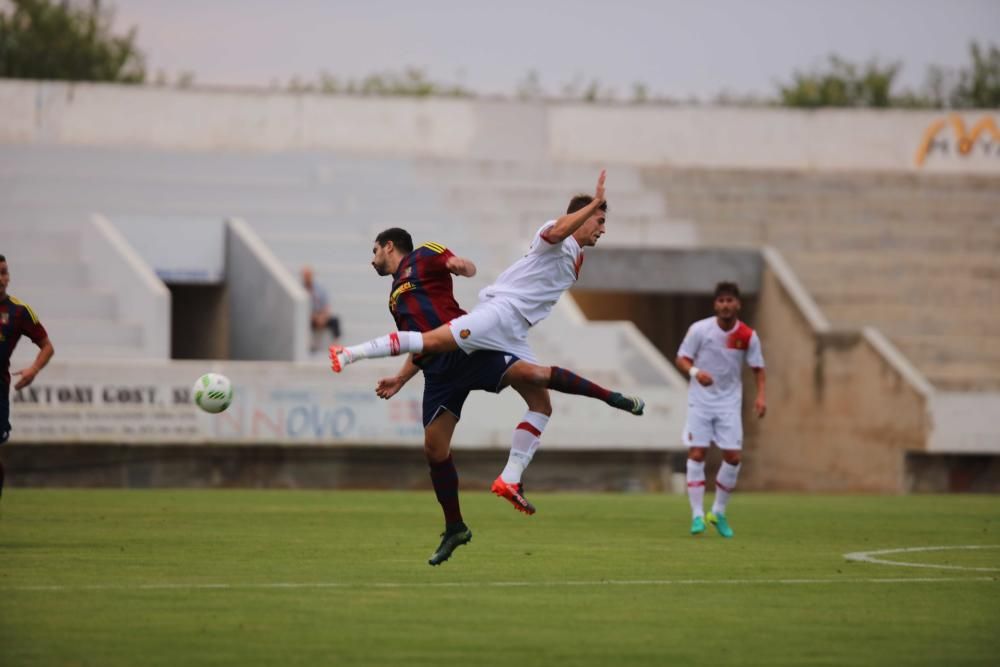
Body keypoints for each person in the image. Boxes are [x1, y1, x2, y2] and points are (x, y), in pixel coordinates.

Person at [352, 228, 644, 565]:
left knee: (533, 376)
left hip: (465, 349)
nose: (372, 259)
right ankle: (455, 528)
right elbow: (419, 342)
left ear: (389, 246)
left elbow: (457, 263)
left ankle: (610, 397)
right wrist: (401, 378)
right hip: (438, 373)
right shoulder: (394, 296)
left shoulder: (424, 253)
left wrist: (461, 265)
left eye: (374, 250)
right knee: (435, 450)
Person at [675, 282, 766, 538]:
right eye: (721, 301)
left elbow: (758, 368)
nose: (726, 305)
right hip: (700, 401)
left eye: (730, 301)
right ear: (716, 304)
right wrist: (695, 372)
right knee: (697, 452)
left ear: (738, 304)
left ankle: (718, 511)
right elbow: (681, 358)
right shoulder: (700, 330)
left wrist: (761, 397)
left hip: (729, 403)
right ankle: (696, 515)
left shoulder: (747, 335)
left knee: (734, 457)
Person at [0, 254, 55, 499]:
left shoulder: (19, 311)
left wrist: (33, 369)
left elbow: (47, 346)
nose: (1, 278)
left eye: (4, 272)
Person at [302, 266, 341, 352]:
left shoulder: (319, 289)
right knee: (304, 322)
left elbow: (326, 305)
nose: (307, 278)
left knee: (335, 320)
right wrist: (314, 317)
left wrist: (323, 317)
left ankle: (336, 344)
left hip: (321, 315)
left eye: (309, 275)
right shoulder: (300, 289)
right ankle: (310, 344)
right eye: (305, 276)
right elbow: (303, 310)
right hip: (309, 316)